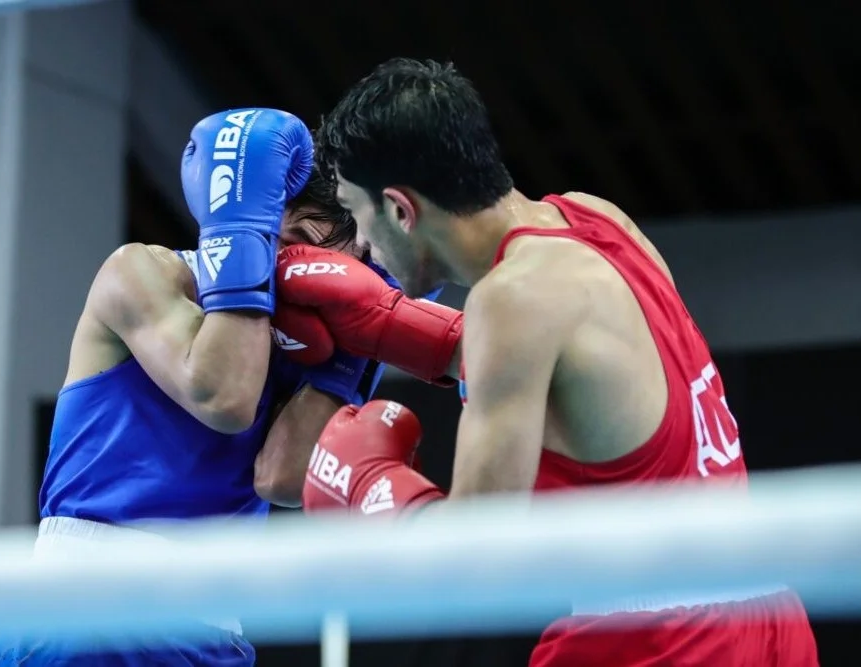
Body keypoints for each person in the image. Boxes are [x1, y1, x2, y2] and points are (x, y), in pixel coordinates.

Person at [273, 60, 820, 666]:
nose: (364, 244)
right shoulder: (596, 219)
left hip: (656, 641)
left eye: (358, 213)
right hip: (767, 615)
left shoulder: (508, 303)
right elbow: (584, 376)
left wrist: (372, 487)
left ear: (401, 209)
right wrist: (384, 326)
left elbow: (474, 559)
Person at [0, 109, 395, 666]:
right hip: (86, 605)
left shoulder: (305, 350)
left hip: (210, 624)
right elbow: (223, 397)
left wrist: (358, 348)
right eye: (290, 240)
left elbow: (282, 479)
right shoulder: (143, 273)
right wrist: (242, 247)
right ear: (255, 217)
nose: (296, 268)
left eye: (326, 263)